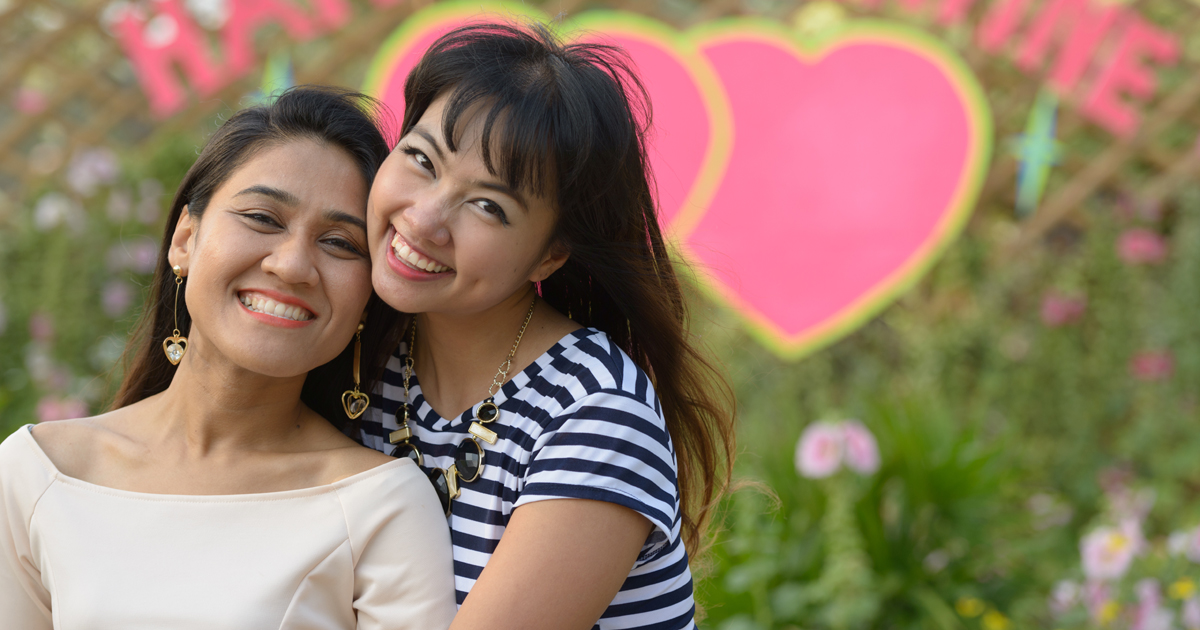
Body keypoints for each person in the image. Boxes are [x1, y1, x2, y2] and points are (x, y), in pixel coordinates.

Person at [0, 86, 457, 629]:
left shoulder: (381, 506)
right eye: (263, 218)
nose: (292, 266)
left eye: (339, 243)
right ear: (184, 239)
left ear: (367, 297)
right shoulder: (39, 473)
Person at [360, 22, 737, 629]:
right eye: (421, 159)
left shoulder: (595, 411)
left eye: (488, 205)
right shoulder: (363, 356)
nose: (425, 219)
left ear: (550, 254)